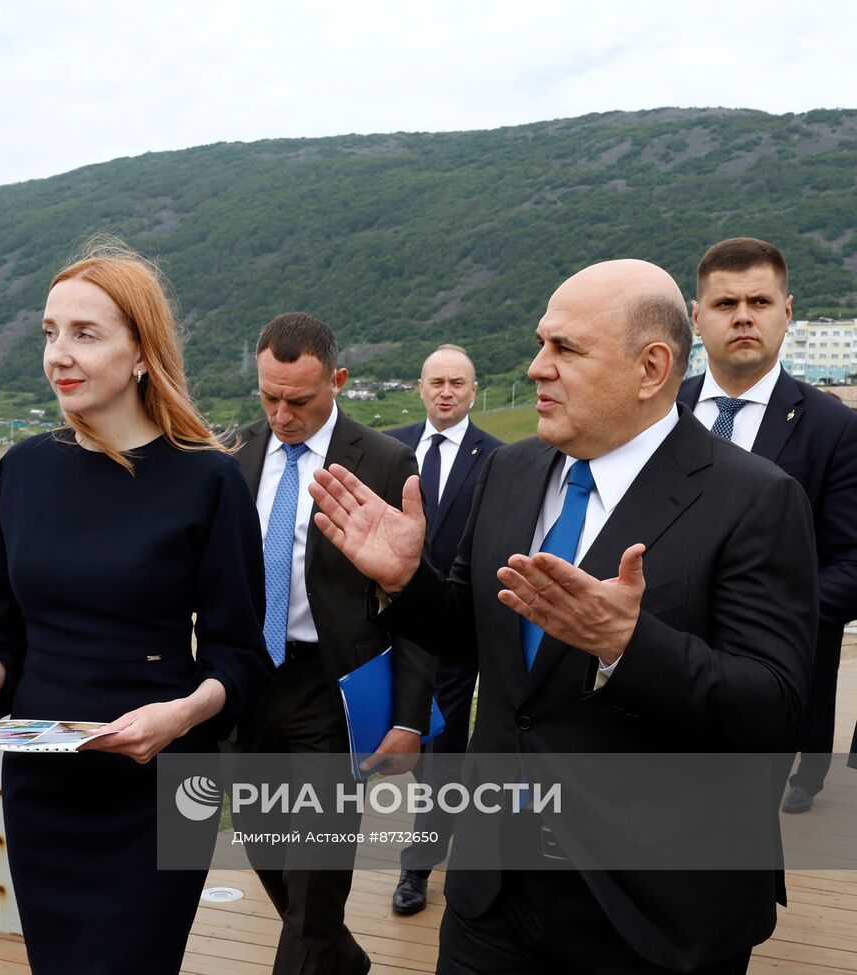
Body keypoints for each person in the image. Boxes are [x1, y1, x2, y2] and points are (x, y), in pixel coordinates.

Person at [309, 259, 816, 973]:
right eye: (541, 342)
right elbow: (478, 632)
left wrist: (628, 646)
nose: (536, 366)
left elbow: (775, 707)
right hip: (494, 891)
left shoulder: (755, 500)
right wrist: (406, 583)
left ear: (651, 367)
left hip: (653, 909)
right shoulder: (510, 472)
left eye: (565, 349)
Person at [0, 238, 271, 975]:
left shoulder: (209, 480)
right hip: (42, 787)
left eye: (85, 334)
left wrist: (176, 715)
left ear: (142, 353)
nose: (60, 355)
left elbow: (239, 658)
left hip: (160, 786)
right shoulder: (22, 470)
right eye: (50, 334)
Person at [229, 312, 431, 975]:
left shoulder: (386, 459)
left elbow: (416, 599)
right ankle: (341, 958)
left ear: (337, 380)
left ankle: (319, 953)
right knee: (269, 856)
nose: (283, 414)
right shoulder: (233, 453)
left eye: (300, 400)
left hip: (332, 689)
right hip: (251, 683)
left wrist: (407, 717)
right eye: (270, 397)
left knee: (316, 875)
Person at [679, 236, 857, 814]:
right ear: (696, 318)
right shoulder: (656, 414)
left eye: (759, 301)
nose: (743, 317)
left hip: (767, 668)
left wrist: (764, 616)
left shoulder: (834, 428)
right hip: (656, 658)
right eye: (726, 304)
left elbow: (851, 563)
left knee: (735, 836)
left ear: (787, 311)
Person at [385, 343, 503, 916]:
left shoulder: (500, 459)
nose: (446, 391)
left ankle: (416, 868)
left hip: (456, 629)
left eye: (458, 382)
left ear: (473, 390)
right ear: (421, 387)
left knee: (443, 754)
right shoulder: (390, 448)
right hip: (389, 625)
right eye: (436, 382)